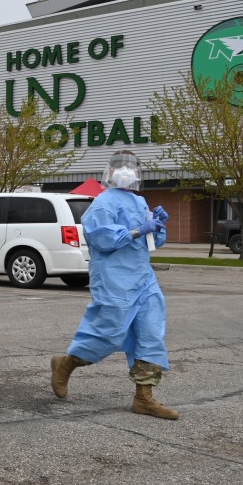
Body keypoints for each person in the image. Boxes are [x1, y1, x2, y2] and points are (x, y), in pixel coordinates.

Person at [49, 150, 179, 420]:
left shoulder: (139, 200)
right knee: (108, 332)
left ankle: (144, 398)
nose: (126, 171)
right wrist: (137, 230)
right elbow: (101, 239)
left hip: (143, 278)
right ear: (110, 171)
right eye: (120, 166)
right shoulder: (103, 202)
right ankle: (67, 363)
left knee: (151, 333)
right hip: (113, 279)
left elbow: (153, 242)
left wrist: (158, 225)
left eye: (130, 166)